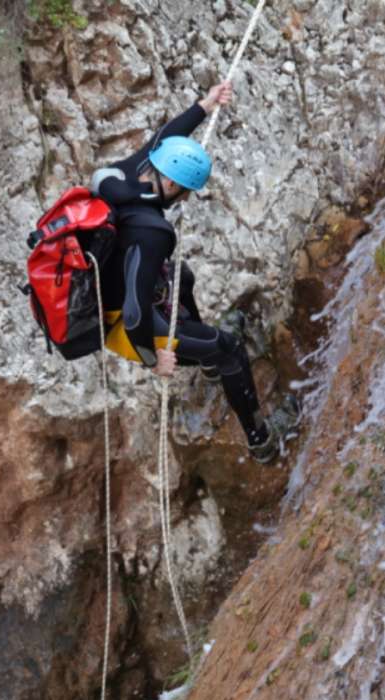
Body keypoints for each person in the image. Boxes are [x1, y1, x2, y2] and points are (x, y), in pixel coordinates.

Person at [90, 82, 300, 464]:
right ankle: (261, 440)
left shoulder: (122, 176)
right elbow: (136, 312)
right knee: (231, 350)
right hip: (121, 322)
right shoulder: (153, 231)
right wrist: (154, 359)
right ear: (170, 184)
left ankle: (204, 359)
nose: (185, 197)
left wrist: (205, 105)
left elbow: (164, 138)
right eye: (185, 190)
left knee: (181, 276)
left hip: (113, 288)